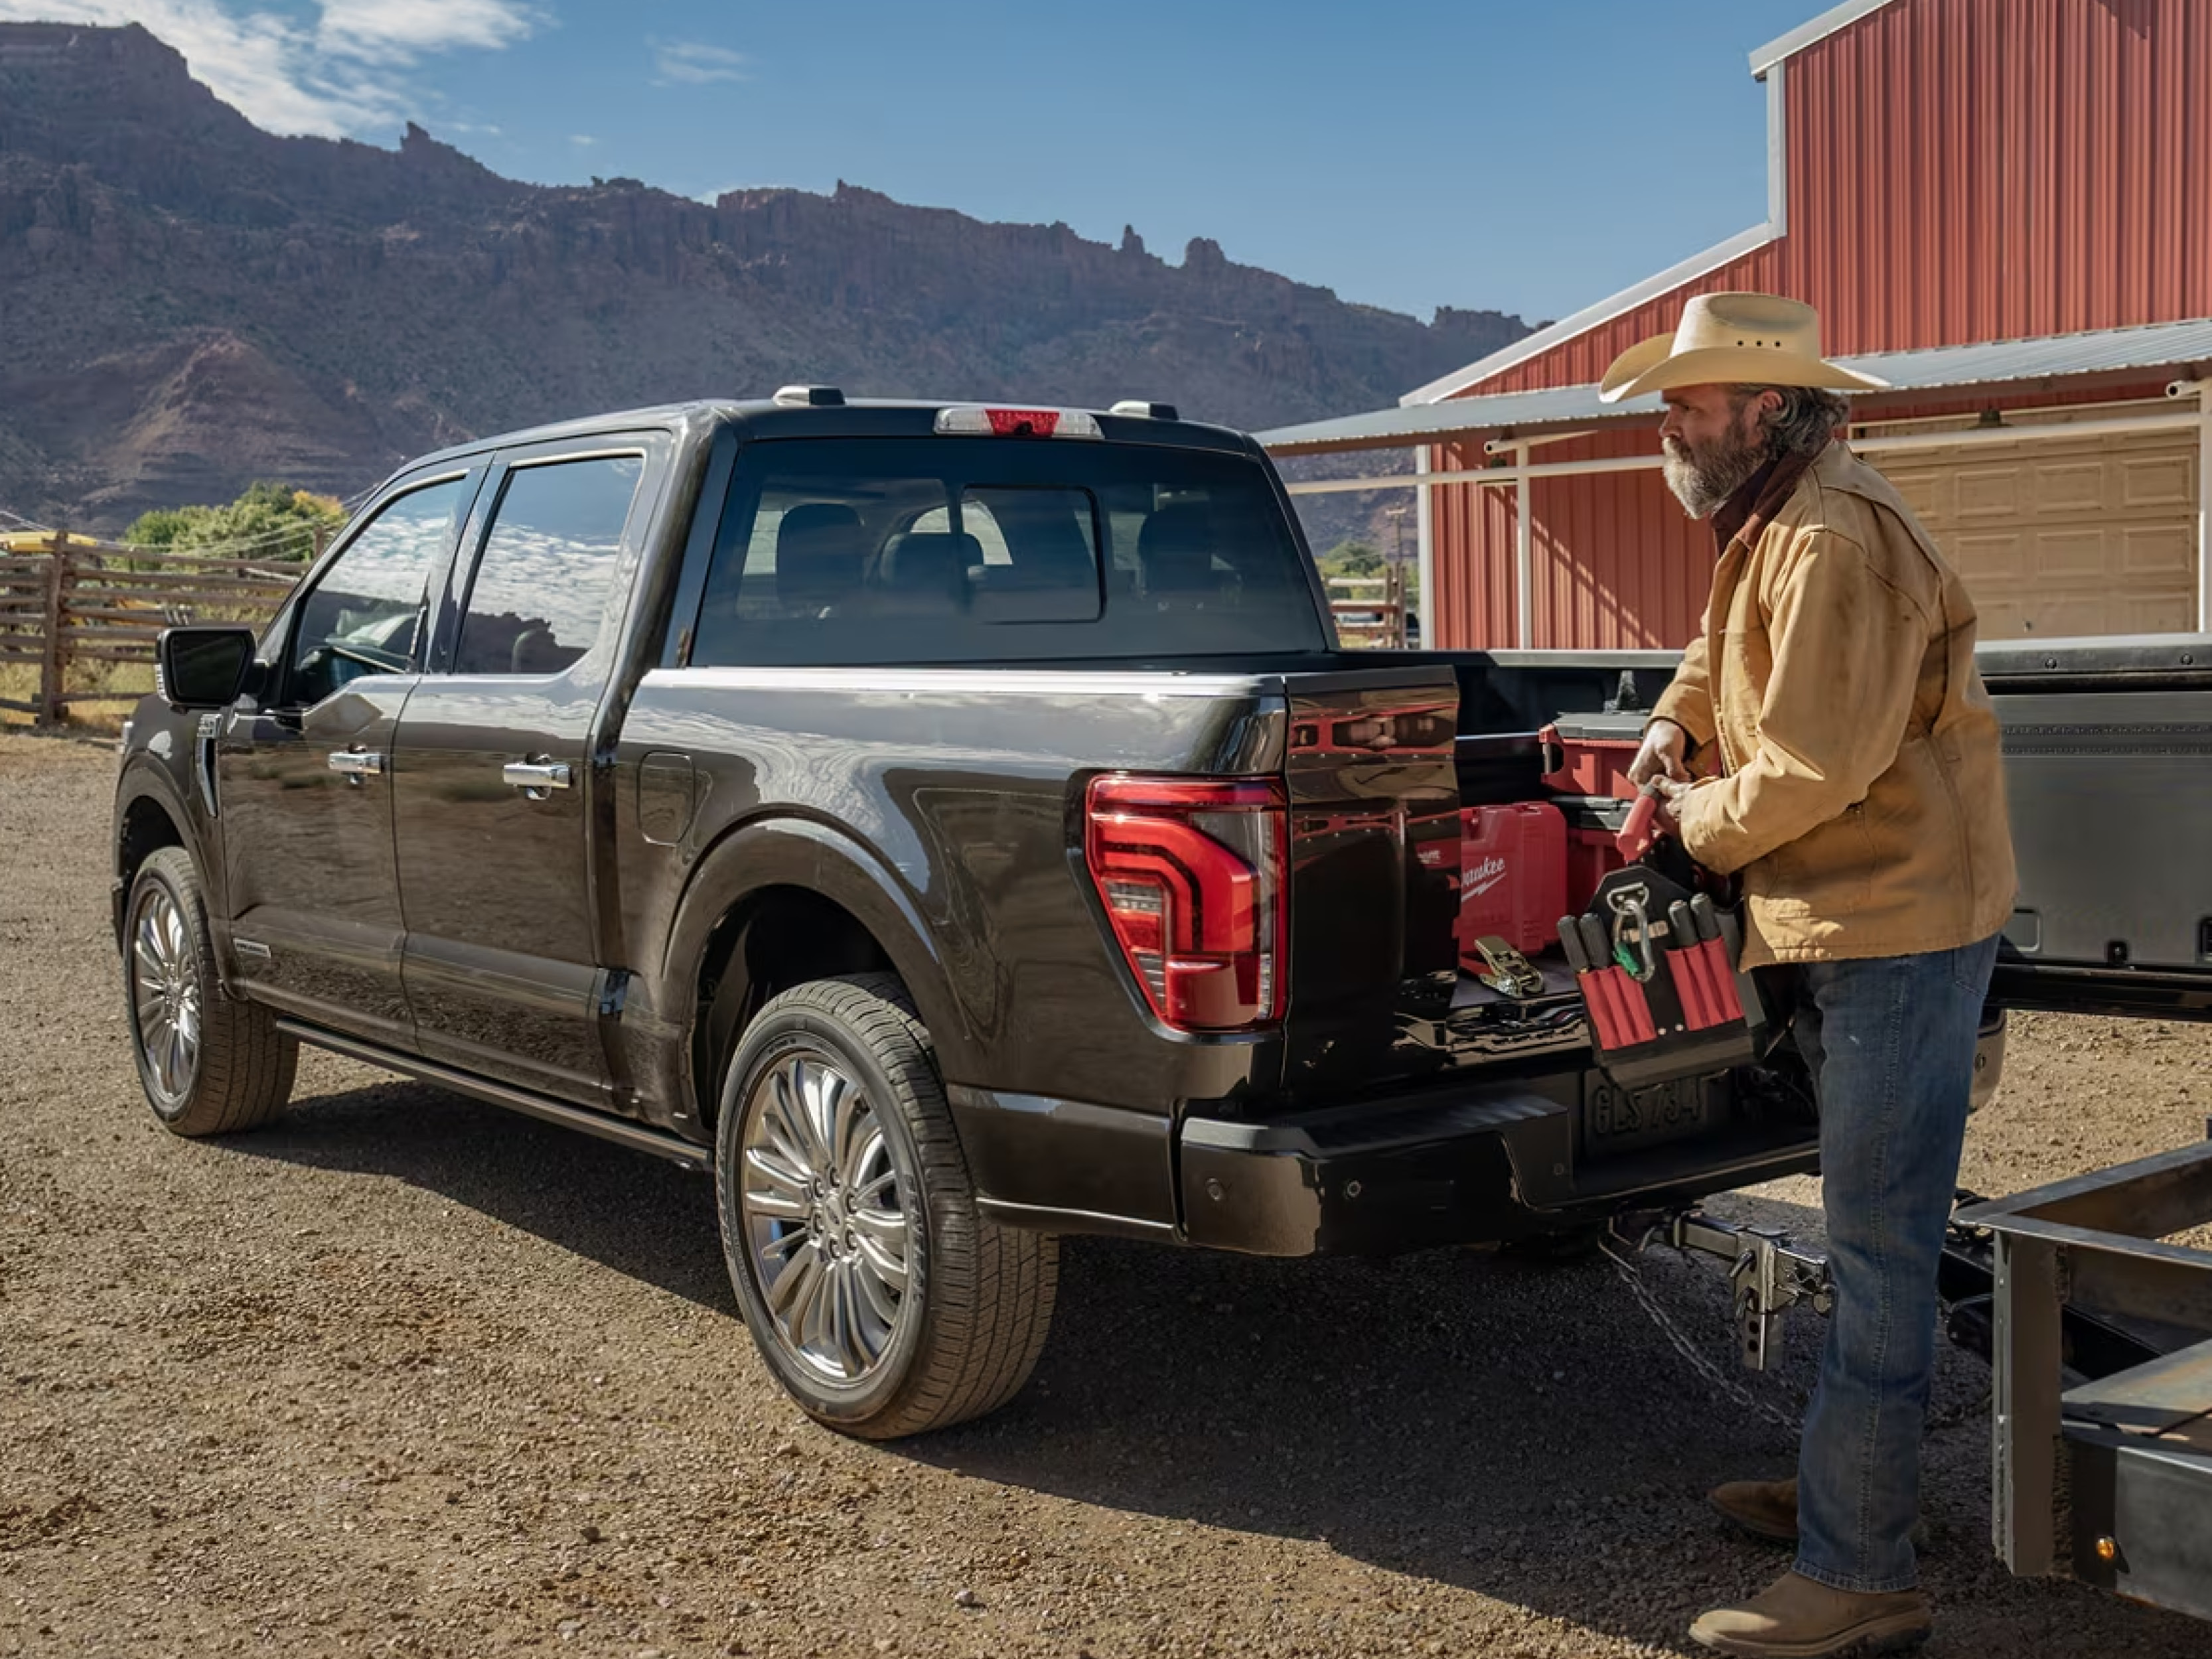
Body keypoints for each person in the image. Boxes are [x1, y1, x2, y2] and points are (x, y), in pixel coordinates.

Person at [1601, 293, 2018, 1658]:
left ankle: (1859, 1575)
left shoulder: (1830, 538)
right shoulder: (1774, 519)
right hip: (1855, 920)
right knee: (1862, 1232)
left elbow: (1805, 769)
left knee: (1878, 1246)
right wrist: (1668, 728)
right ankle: (1847, 1499)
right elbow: (1719, 670)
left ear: (1764, 410)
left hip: (1893, 929)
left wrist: (1679, 823)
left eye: (1689, 396)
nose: (1666, 415)